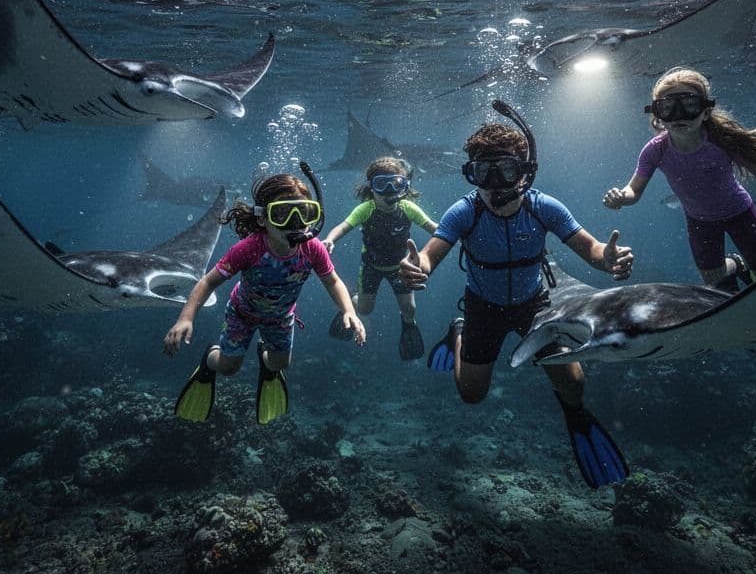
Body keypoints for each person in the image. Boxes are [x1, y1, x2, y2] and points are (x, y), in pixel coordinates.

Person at [399, 101, 635, 488]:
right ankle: (458, 332)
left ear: (524, 172)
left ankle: (575, 418)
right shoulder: (465, 212)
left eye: (505, 171)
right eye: (482, 172)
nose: (494, 184)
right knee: (472, 396)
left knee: (574, 384)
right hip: (481, 309)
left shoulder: (544, 207)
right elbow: (428, 257)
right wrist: (416, 268)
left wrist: (607, 259)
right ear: (470, 175)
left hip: (534, 305)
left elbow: (591, 249)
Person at [603, 67, 756, 297]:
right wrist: (622, 197)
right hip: (699, 221)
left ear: (706, 111)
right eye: (667, 107)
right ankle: (736, 265)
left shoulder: (721, 140)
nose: (678, 116)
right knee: (713, 280)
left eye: (689, 105)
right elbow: (634, 189)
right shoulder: (654, 151)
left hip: (740, 213)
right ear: (657, 113)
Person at [164, 165, 366, 425]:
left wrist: (349, 311)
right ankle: (208, 359)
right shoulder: (248, 249)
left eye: (303, 213)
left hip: (281, 318)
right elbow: (207, 282)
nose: (295, 222)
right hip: (242, 314)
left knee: (280, 364)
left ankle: (263, 356)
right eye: (282, 214)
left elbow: (333, 281)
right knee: (228, 367)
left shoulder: (313, 249)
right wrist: (186, 318)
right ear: (262, 218)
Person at [322, 157, 438, 360]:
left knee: (409, 308)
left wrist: (456, 234)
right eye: (382, 184)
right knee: (365, 310)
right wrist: (330, 240)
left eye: (397, 183)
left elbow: (435, 229)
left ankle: (408, 327)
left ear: (404, 186)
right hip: (371, 267)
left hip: (400, 267)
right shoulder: (366, 209)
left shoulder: (407, 208)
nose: (389, 190)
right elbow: (343, 226)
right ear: (371, 188)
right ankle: (349, 304)